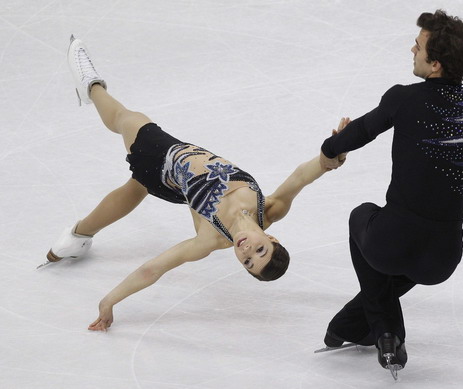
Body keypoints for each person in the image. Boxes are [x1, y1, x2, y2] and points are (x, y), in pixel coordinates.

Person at [47, 36, 347, 332]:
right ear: (273, 240)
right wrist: (333, 153)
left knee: (126, 118)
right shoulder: (270, 209)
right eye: (260, 251)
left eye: (247, 263)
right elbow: (302, 176)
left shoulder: (210, 239)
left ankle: (91, 86)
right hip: (176, 183)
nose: (247, 253)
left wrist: (109, 301)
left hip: (162, 160)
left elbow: (155, 268)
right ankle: (76, 237)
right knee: (135, 188)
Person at [319, 10, 463, 377]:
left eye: (418, 47)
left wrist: (332, 144)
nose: (411, 49)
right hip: (442, 259)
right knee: (405, 263)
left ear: (434, 64)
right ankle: (349, 326)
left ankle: (386, 332)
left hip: (390, 244)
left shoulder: (403, 99)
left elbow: (352, 138)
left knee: (361, 215)